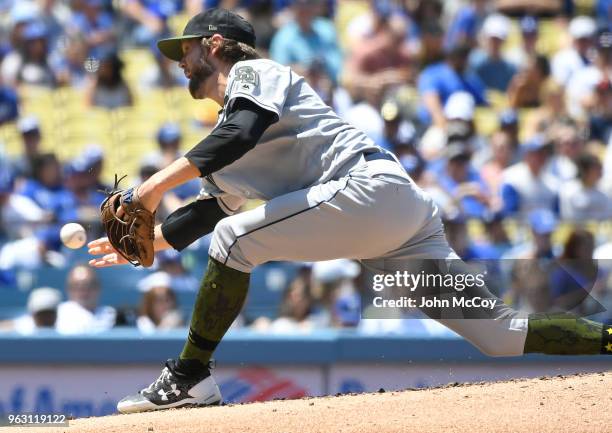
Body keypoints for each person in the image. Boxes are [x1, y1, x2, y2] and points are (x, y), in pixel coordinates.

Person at [87, 9, 612, 414]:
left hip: (365, 190)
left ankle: (190, 375)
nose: (180, 62)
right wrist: (153, 241)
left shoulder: (254, 72)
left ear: (215, 45)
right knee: (500, 336)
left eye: (187, 50)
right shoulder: (229, 137)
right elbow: (209, 207)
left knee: (235, 241)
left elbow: (239, 133)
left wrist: (150, 189)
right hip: (394, 222)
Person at [55, 264, 116, 334]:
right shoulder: (56, 315)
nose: (83, 289)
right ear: (68, 289)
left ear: (98, 287)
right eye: (77, 285)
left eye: (89, 284)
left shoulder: (112, 315)